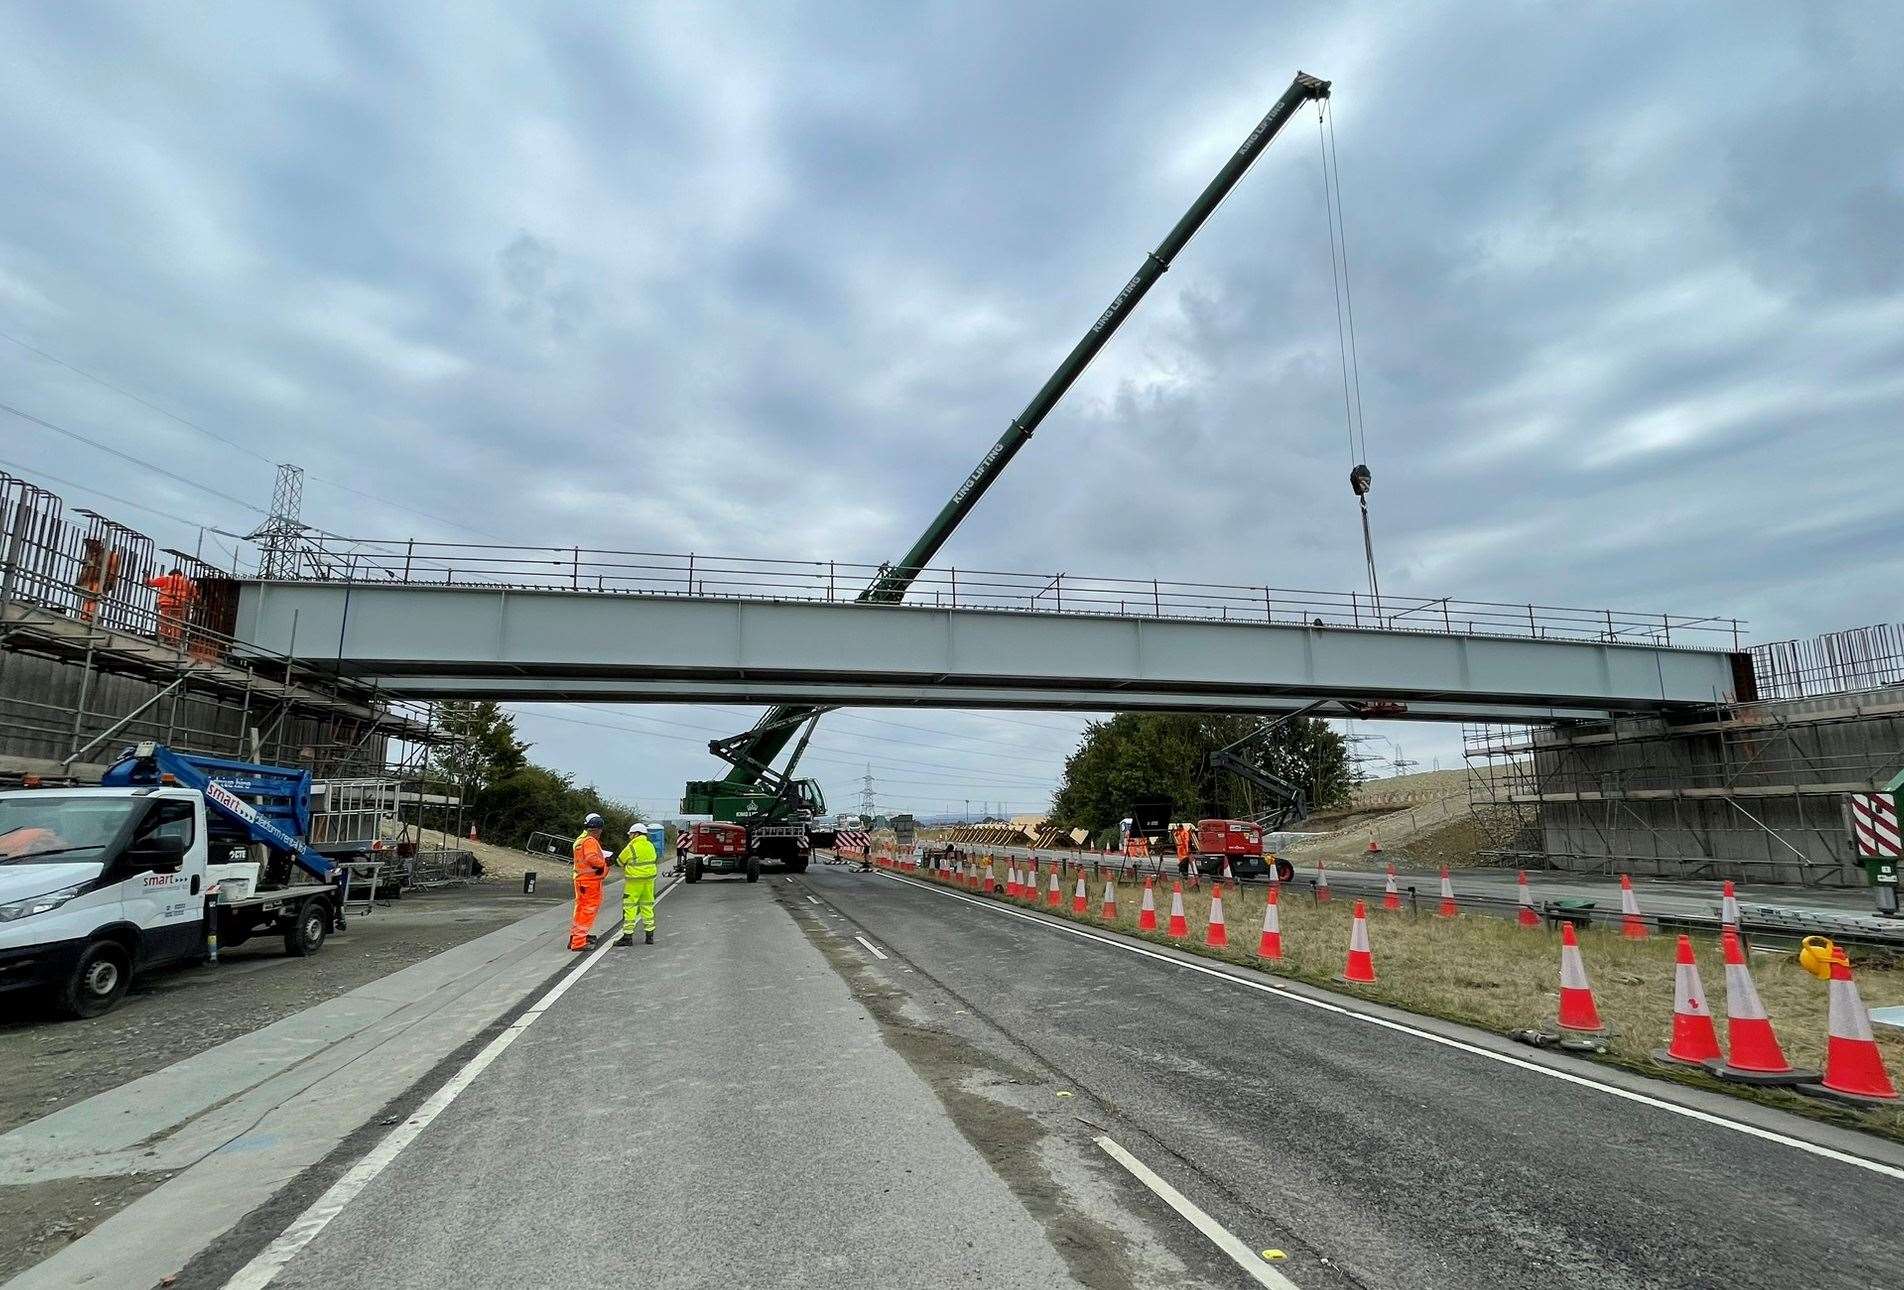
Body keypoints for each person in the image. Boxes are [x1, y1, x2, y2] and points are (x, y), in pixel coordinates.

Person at [569, 813, 610, 951]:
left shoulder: (580, 840)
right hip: (590, 882)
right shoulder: (590, 841)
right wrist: (604, 863)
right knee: (588, 911)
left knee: (580, 910)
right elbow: (592, 858)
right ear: (598, 829)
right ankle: (579, 942)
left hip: (582, 880)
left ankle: (576, 937)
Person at [617, 822, 658, 946]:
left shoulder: (631, 846)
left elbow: (619, 861)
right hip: (649, 881)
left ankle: (627, 936)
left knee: (630, 907)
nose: (629, 836)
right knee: (647, 906)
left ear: (636, 834)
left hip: (634, 881)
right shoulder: (650, 845)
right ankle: (649, 936)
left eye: (631, 834)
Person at [146, 566, 197, 644]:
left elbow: (150, 583)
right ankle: (175, 640)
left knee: (164, 622)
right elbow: (194, 594)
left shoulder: (166, 579)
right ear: (180, 574)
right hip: (180, 606)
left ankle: (163, 638)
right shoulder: (187, 582)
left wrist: (146, 577)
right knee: (177, 623)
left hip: (166, 605)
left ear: (171, 574)